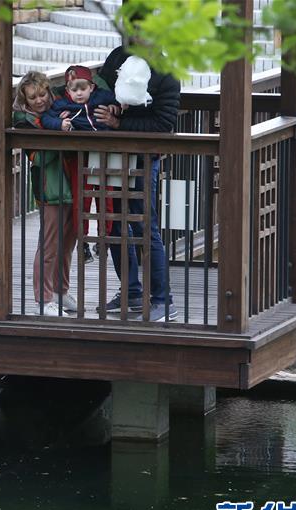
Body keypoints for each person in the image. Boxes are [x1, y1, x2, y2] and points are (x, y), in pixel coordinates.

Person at [94, 47, 180, 321]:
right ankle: (130, 291)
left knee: (145, 227)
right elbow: (99, 89)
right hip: (113, 155)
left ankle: (163, 300)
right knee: (115, 223)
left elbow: (163, 123)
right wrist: (107, 104)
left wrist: (119, 123)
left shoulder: (166, 72)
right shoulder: (118, 56)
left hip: (143, 157)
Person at [13, 71, 77, 316]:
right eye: (33, 97)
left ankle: (61, 291)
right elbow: (37, 157)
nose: (39, 100)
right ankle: (44, 298)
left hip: (70, 181)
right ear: (25, 100)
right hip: (49, 187)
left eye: (42, 94)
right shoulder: (23, 121)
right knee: (49, 244)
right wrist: (61, 135)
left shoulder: (60, 108)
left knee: (68, 241)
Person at [42, 65, 119, 265]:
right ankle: (82, 240)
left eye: (82, 88)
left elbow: (118, 100)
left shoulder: (102, 98)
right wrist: (59, 124)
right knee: (81, 200)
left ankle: (103, 239)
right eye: (73, 89)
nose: (78, 93)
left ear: (91, 87)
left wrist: (115, 108)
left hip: (104, 155)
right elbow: (46, 117)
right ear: (67, 90)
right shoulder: (63, 106)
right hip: (80, 157)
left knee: (106, 198)